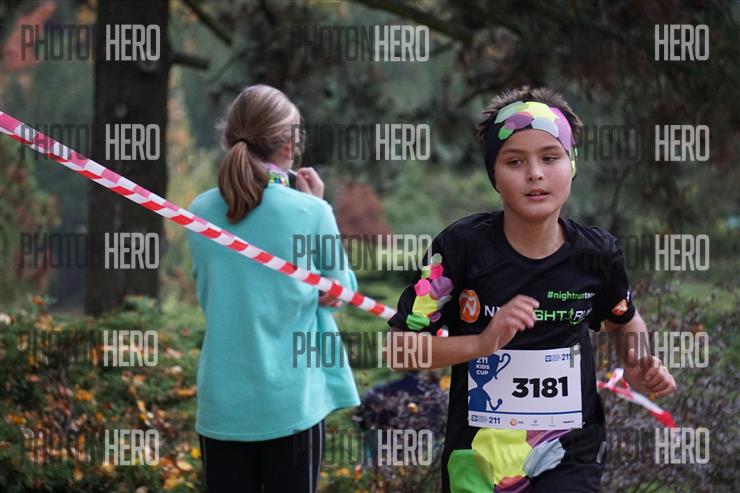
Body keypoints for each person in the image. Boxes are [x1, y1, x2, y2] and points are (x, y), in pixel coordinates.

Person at [386, 87, 677, 492]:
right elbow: (400, 350)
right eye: (515, 161)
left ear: (572, 165)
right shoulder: (460, 249)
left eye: (550, 157)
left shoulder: (597, 254)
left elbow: (623, 318)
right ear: (494, 174)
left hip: (568, 454)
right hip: (479, 462)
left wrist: (636, 362)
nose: (535, 173)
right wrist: (481, 344)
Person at [186, 84, 359, 493]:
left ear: (230, 137)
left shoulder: (197, 212)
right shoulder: (311, 212)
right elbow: (340, 293)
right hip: (292, 404)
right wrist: (317, 206)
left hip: (223, 405)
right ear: (288, 145)